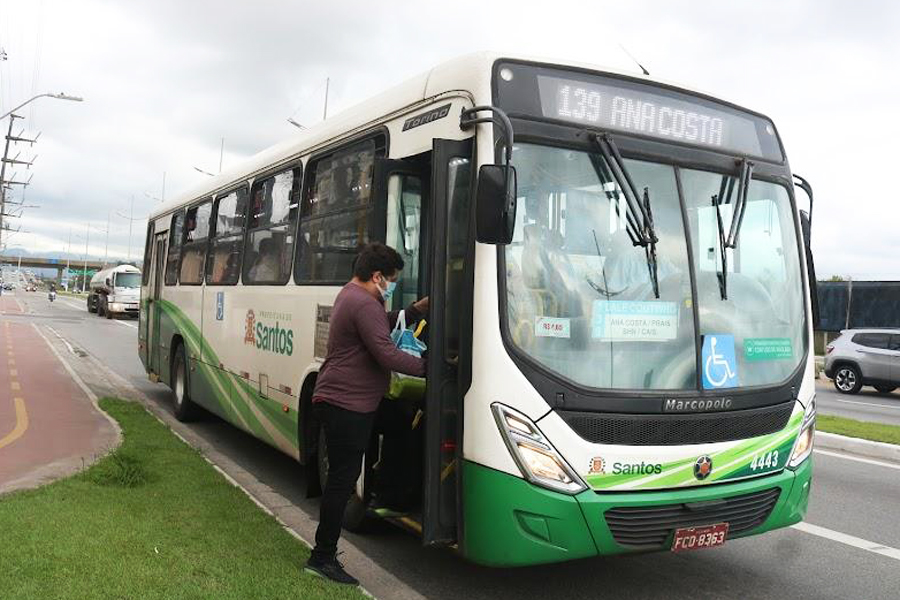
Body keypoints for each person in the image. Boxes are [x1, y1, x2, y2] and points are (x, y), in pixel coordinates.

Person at [304, 242, 428, 586]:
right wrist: (430, 368)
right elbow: (387, 354)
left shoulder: (352, 294)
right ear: (376, 276)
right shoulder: (364, 303)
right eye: (391, 280)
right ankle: (322, 557)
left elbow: (378, 326)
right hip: (348, 404)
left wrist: (414, 310)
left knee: (403, 425)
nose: (392, 285)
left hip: (354, 400)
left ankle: (389, 491)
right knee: (342, 483)